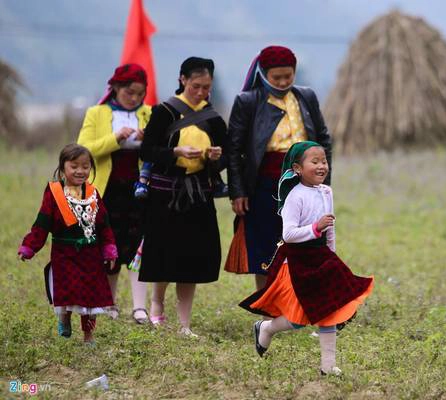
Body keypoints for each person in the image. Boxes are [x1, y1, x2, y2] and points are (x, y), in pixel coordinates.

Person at [239, 141, 374, 375]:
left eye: (324, 161)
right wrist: (315, 227)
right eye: (315, 162)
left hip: (323, 257)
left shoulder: (326, 192)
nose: (322, 166)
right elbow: (288, 234)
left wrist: (331, 254)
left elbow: (329, 227)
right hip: (299, 259)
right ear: (298, 168)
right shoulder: (295, 196)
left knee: (331, 308)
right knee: (299, 319)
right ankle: (267, 328)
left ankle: (328, 366)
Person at [225, 45, 332, 292]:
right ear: (263, 74)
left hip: (305, 183)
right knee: (267, 247)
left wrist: (323, 179)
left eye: (288, 76)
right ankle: (268, 305)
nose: (283, 82)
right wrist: (238, 191)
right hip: (264, 186)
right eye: (277, 77)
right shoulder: (248, 102)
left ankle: (298, 302)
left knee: (305, 242)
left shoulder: (306, 97)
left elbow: (323, 139)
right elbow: (234, 149)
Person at [139, 57, 227, 337]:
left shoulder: (213, 118)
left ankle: (184, 324)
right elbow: (147, 151)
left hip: (199, 196)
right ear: (182, 80)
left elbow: (225, 156)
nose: (201, 92)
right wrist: (175, 153)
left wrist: (216, 157)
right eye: (196, 86)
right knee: (165, 254)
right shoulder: (164, 112)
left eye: (206, 87)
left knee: (192, 259)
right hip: (165, 195)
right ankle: (156, 307)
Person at [18, 144, 117, 344]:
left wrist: (109, 249)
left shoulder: (93, 193)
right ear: (63, 167)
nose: (80, 171)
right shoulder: (54, 193)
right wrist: (30, 246)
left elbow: (104, 225)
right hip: (64, 254)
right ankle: (64, 317)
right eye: (74, 166)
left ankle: (89, 336)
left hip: (90, 254)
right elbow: (42, 223)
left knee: (91, 297)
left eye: (85, 166)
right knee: (68, 292)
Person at [77, 63, 152, 323]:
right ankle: (107, 302)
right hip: (106, 191)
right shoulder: (97, 114)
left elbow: (159, 151)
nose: (134, 98)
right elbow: (83, 149)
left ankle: (140, 307)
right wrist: (115, 138)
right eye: (129, 92)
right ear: (116, 89)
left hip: (139, 190)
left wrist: (147, 142)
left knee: (137, 247)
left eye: (140, 94)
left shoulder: (149, 113)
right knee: (108, 247)